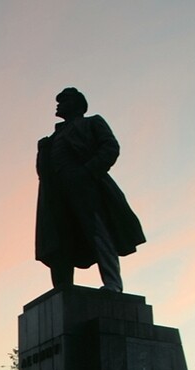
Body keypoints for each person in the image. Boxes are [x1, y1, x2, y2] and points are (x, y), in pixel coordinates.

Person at [35, 87, 145, 292]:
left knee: (99, 232)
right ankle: (63, 288)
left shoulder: (92, 122)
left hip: (86, 187)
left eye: (64, 100)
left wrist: (87, 171)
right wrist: (43, 151)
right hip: (57, 194)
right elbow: (43, 173)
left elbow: (110, 147)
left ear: (77, 104)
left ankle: (112, 283)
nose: (58, 104)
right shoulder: (52, 138)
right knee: (59, 239)